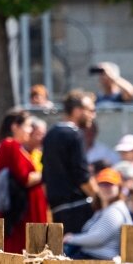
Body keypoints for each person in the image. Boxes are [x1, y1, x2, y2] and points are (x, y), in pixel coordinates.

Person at [0, 108, 47, 253]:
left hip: (24, 212)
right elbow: (25, 178)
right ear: (15, 126)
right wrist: (46, 173)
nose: (29, 130)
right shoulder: (10, 145)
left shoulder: (17, 147)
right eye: (27, 126)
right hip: (19, 216)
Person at [42, 90, 99, 233]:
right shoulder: (74, 135)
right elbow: (82, 175)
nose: (93, 115)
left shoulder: (51, 134)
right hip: (77, 209)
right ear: (77, 110)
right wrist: (98, 199)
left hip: (57, 209)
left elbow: (45, 177)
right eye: (90, 110)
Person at [63, 168, 131, 260]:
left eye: (110, 184)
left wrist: (71, 239)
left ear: (118, 187)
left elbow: (98, 238)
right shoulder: (104, 209)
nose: (105, 188)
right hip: (92, 258)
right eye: (102, 184)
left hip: (102, 261)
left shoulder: (115, 210)